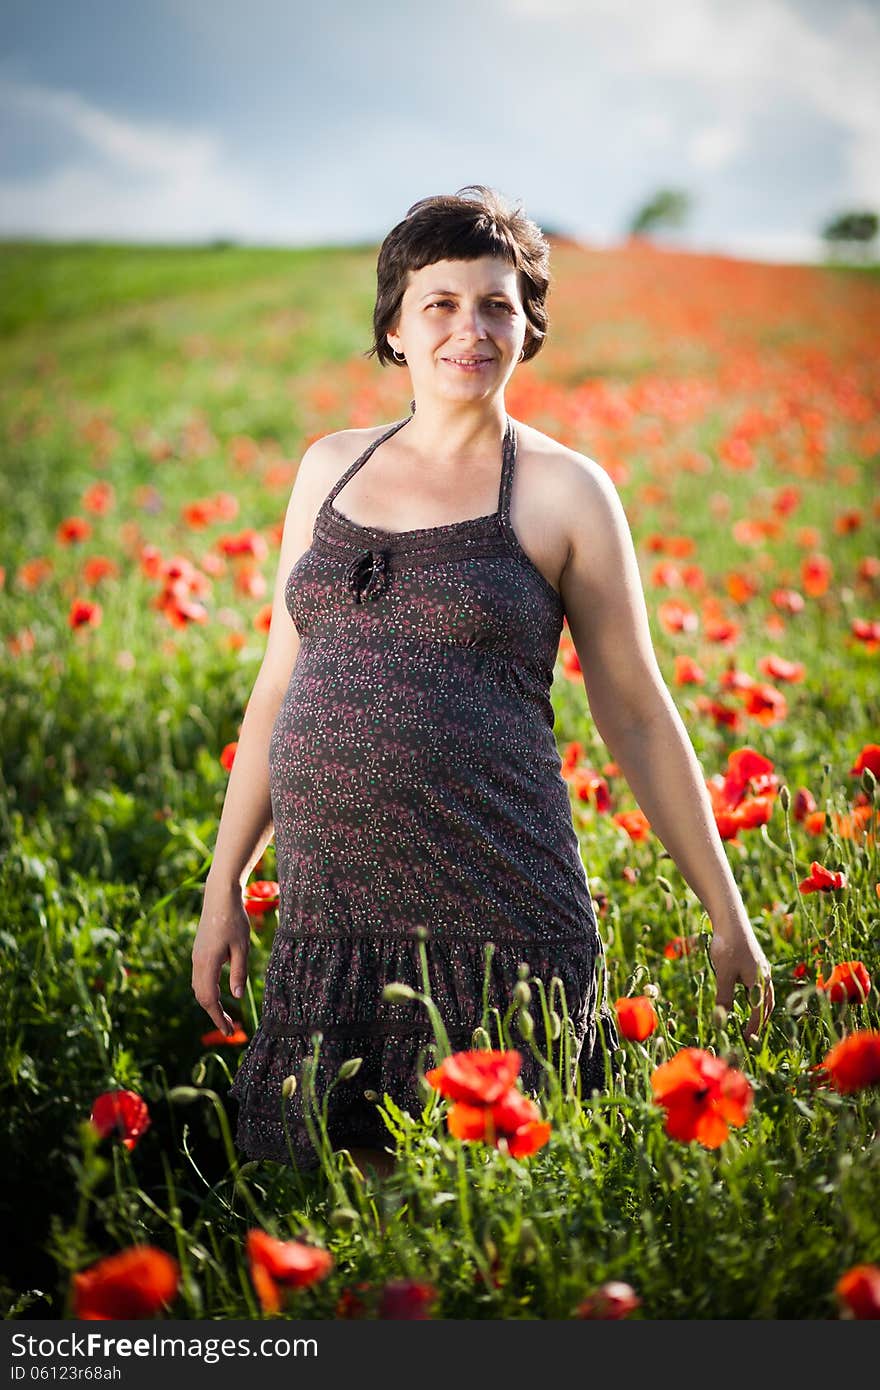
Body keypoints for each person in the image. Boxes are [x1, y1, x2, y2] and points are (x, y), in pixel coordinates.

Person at [191, 184, 773, 1181]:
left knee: (482, 1211)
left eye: (498, 304)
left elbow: (634, 710)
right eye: (442, 303)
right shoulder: (326, 468)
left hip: (497, 913)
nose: (472, 327)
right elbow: (279, 680)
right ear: (394, 329)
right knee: (333, 1207)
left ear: (528, 326)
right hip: (334, 913)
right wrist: (225, 878)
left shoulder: (563, 490)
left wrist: (729, 916)